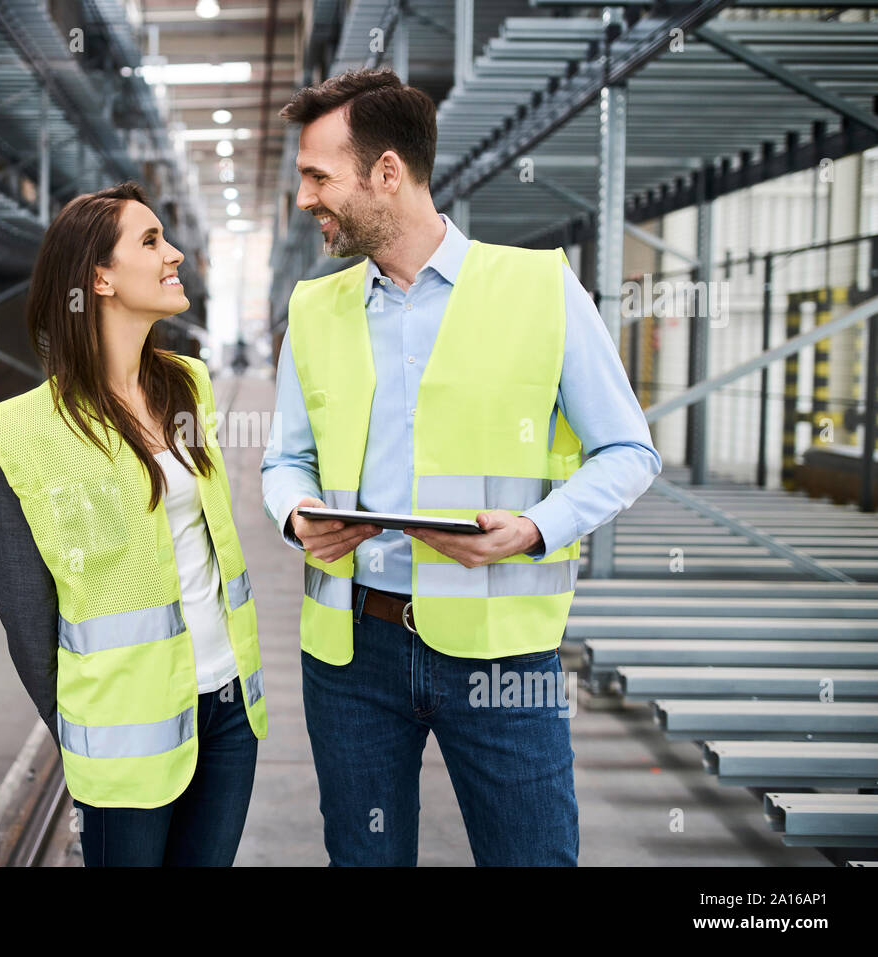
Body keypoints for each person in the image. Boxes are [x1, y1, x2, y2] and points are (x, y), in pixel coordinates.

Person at [261, 69, 662, 866]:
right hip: (352, 652)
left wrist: (537, 527)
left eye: (317, 176)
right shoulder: (314, 310)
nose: (304, 198)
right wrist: (297, 513)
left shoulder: (540, 289)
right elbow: (286, 458)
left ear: (386, 172)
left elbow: (628, 450)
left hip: (502, 653)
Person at [0, 182, 267, 867]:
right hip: (122, 735)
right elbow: (27, 619)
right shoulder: (23, 434)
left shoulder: (188, 385)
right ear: (99, 277)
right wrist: (85, 727)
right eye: (150, 241)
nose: (176, 255)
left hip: (228, 710)